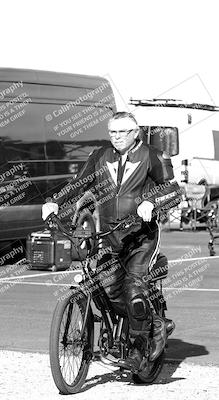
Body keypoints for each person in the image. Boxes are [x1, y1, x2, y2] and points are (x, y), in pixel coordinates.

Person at [42, 111, 182, 370]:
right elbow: (77, 184)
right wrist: (54, 202)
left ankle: (142, 349)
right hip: (109, 236)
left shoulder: (152, 155)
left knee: (134, 290)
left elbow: (173, 190)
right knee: (107, 288)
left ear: (135, 132)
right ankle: (143, 324)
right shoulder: (100, 156)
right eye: (113, 132)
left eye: (123, 132)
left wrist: (151, 201)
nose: (117, 137)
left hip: (142, 238)